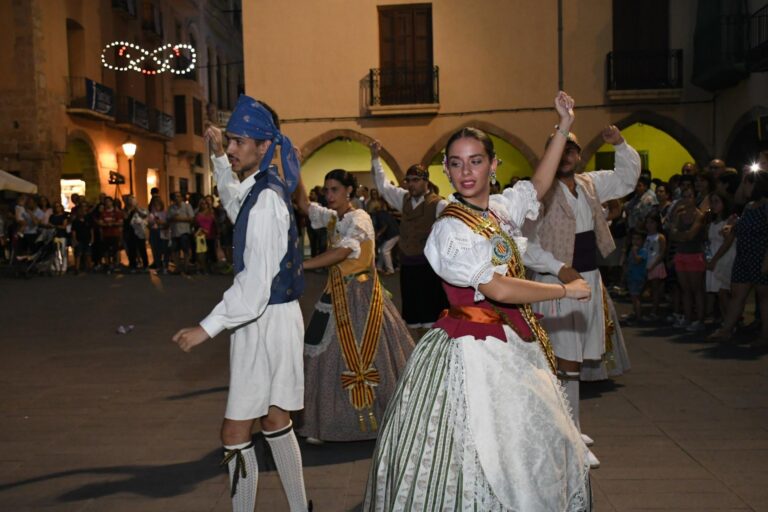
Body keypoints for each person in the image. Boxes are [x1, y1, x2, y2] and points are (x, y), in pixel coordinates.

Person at [365, 93, 594, 511]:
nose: (465, 171)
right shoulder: (450, 230)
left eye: (475, 160)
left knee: (522, 444)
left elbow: (539, 185)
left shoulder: (501, 210)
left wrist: (563, 125)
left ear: (493, 165)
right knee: (473, 445)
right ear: (447, 171)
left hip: (512, 341)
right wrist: (564, 290)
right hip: (470, 348)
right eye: (455, 162)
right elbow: (498, 289)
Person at [172, 96, 310, 512]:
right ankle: (301, 508)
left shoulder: (267, 198)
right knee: (275, 421)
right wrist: (216, 158)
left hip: (264, 317)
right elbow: (235, 204)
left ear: (264, 147)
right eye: (230, 141)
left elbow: (253, 285)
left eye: (239, 142)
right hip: (271, 318)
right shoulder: (260, 190)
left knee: (234, 433)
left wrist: (207, 327)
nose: (232, 149)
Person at [524, 124, 641, 469]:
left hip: (588, 279)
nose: (567, 155)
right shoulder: (538, 193)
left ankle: (568, 424)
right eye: (560, 150)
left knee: (577, 354)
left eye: (572, 150)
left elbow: (627, 179)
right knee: (566, 358)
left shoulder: (590, 184)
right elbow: (527, 243)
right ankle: (571, 434)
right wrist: (560, 268)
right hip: (556, 283)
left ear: (578, 155)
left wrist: (619, 143)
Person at [292, 169, 414, 443]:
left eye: (334, 189)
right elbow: (303, 204)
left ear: (349, 191)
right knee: (320, 352)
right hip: (336, 291)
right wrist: (295, 167)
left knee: (367, 355)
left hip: (360, 296)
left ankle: (375, 419)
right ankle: (324, 420)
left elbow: (344, 251)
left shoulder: (361, 218)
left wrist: (301, 265)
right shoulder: (335, 218)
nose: (329, 194)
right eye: (326, 190)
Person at [370, 142, 448, 329]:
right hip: (408, 266)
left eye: (415, 180)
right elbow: (383, 185)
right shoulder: (403, 198)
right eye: (409, 180)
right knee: (413, 318)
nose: (411, 184)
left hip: (429, 268)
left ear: (425, 181)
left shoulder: (439, 205)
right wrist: (375, 157)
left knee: (432, 318)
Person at [709, 170, 768, 347]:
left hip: (760, 256)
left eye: (749, 183)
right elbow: (738, 199)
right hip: (744, 257)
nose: (746, 187)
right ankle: (726, 330)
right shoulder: (750, 206)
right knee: (737, 295)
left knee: (764, 298)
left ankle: (765, 336)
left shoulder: (766, 207)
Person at [668, 187, 706, 332]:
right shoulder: (680, 214)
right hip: (681, 253)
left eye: (689, 195)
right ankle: (688, 317)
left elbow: (690, 235)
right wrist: (681, 234)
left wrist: (680, 234)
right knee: (685, 289)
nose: (686, 199)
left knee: (696, 289)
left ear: (695, 198)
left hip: (694, 254)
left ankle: (700, 320)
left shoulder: (699, 215)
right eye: (684, 196)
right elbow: (673, 234)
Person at [705, 191, 736, 322]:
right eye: (712, 201)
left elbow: (727, 243)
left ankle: (731, 321)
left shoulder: (729, 221)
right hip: (712, 255)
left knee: (723, 292)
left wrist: (715, 259)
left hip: (724, 257)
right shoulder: (712, 221)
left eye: (717, 201)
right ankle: (725, 320)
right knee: (718, 293)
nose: (713, 204)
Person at [644, 214, 668, 319]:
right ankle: (652, 309)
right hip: (647, 263)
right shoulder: (647, 236)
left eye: (652, 222)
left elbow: (662, 253)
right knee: (650, 288)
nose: (649, 225)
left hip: (656, 264)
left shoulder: (660, 237)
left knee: (655, 289)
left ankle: (655, 310)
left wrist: (653, 265)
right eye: (647, 222)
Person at [168, 191, 194, 273]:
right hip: (174, 232)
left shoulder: (187, 206)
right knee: (175, 250)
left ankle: (186, 266)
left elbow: (191, 218)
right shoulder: (171, 207)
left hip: (184, 231)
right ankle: (178, 267)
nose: (177, 198)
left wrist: (179, 219)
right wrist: (173, 218)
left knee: (186, 250)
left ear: (182, 198)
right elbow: (168, 218)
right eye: (175, 196)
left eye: (178, 196)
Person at [625, 231, 648, 322]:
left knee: (636, 297)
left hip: (638, 277)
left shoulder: (643, 251)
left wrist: (634, 252)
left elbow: (638, 260)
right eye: (633, 239)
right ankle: (636, 313)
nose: (635, 241)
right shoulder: (631, 250)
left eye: (638, 239)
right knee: (633, 296)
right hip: (631, 276)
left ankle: (639, 317)